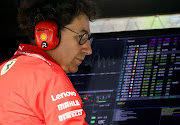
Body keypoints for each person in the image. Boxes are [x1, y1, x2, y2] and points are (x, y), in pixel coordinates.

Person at [0, 0, 98, 124]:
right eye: (82, 37)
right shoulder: (49, 77)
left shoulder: (5, 71)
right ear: (48, 32)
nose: (88, 50)